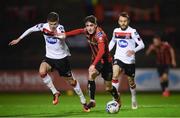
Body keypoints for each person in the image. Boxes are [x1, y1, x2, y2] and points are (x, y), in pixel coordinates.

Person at [9, 12, 90, 112]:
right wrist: (19, 39)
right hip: (49, 58)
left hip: (61, 59)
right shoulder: (43, 26)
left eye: (55, 24)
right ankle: (55, 92)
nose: (53, 26)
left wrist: (57, 34)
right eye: (51, 24)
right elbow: (30, 29)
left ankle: (83, 101)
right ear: (48, 22)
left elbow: (63, 36)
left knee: (72, 82)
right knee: (42, 72)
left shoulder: (60, 28)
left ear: (58, 22)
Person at [60, 15, 120, 110]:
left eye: (91, 25)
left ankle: (117, 97)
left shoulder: (100, 36)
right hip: (96, 60)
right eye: (87, 25)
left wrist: (93, 64)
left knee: (108, 88)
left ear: (96, 25)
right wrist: (65, 34)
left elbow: (101, 51)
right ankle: (92, 101)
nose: (89, 28)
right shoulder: (87, 31)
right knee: (91, 74)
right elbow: (79, 31)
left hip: (106, 62)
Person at [109, 12, 145, 109]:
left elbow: (142, 45)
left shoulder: (133, 31)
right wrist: (107, 51)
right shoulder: (116, 31)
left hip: (129, 60)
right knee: (115, 75)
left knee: (131, 82)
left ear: (128, 21)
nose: (123, 23)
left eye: (125, 21)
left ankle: (133, 98)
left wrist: (133, 50)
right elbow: (113, 41)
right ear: (118, 22)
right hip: (118, 57)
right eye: (121, 21)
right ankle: (115, 99)